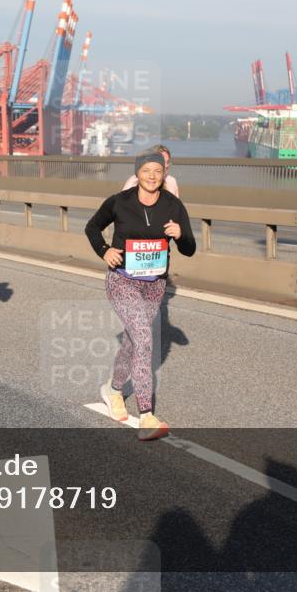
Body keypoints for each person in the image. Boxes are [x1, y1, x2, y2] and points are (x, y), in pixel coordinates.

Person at [85, 151, 196, 440]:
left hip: (155, 284)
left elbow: (189, 248)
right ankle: (147, 415)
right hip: (122, 280)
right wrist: (104, 250)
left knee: (135, 341)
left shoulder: (173, 205)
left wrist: (181, 232)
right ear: (138, 174)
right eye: (146, 170)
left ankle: (113, 390)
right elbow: (92, 227)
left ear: (163, 175)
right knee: (145, 339)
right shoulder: (119, 202)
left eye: (157, 171)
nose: (152, 176)